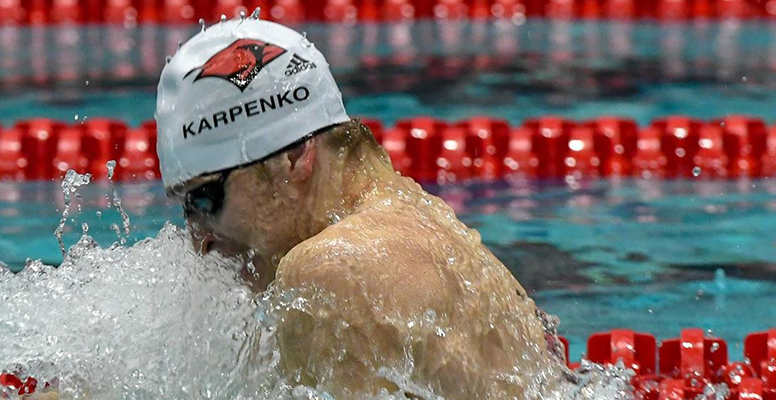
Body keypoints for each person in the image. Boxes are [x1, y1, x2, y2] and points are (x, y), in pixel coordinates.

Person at [157, 16, 568, 400]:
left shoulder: (333, 271)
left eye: (205, 198)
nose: (200, 239)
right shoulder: (430, 230)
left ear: (295, 154)